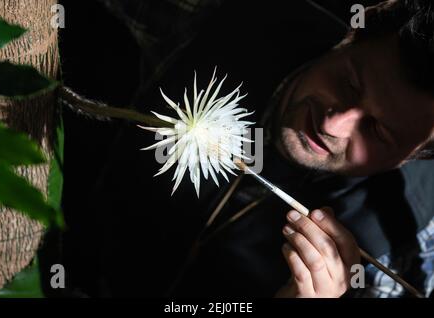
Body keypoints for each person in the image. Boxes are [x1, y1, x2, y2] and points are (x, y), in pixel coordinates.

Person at [65, 0, 434, 297]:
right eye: (349, 83)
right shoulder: (226, 15)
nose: (331, 124)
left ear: (411, 156)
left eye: (378, 132)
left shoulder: (403, 248)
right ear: (353, 32)